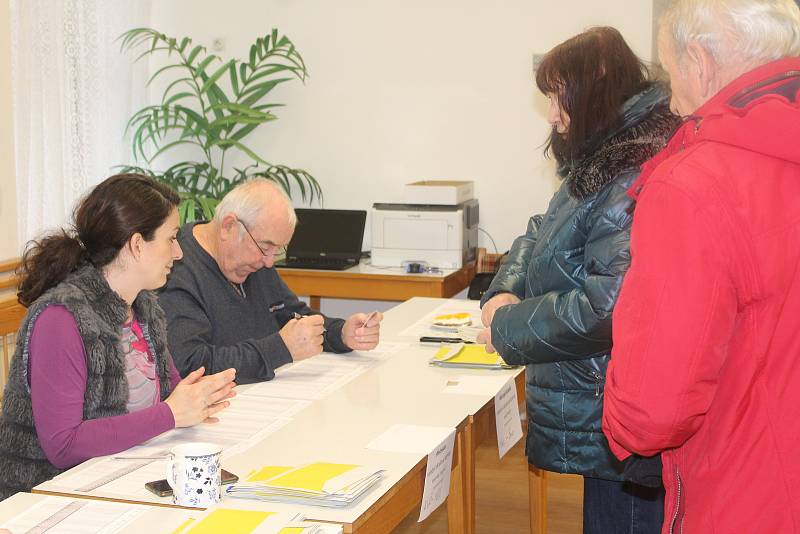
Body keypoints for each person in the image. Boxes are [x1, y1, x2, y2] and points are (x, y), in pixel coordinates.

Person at [601, 1, 800, 532]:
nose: (669, 94)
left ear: (700, 62)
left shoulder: (695, 182)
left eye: (668, 72)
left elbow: (652, 411)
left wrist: (616, 416)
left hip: (749, 492)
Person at [476, 27, 679, 533]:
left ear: (596, 88)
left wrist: (507, 325)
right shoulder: (602, 154)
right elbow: (544, 229)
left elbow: (606, 305)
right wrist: (505, 286)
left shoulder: (631, 168)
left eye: (557, 96)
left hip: (615, 399)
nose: (550, 114)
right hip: (597, 396)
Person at [0, 174, 237, 501]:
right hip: (46, 498)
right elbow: (63, 445)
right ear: (137, 245)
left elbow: (170, 393)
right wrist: (171, 414)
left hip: (117, 482)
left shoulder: (144, 307)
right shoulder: (61, 319)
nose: (180, 253)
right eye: (171, 238)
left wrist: (197, 398)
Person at [159, 179, 383, 384]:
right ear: (228, 227)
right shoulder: (175, 269)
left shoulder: (255, 260)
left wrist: (341, 332)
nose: (268, 262)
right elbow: (191, 366)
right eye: (265, 247)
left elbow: (292, 315)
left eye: (277, 250)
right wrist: (280, 348)